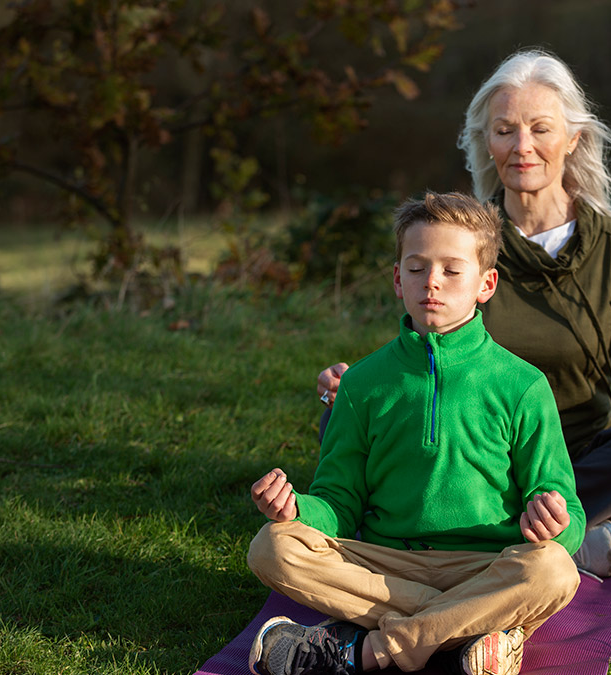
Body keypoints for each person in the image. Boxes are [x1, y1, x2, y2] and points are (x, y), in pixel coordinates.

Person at [317, 49, 611, 579]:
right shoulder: (466, 245)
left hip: (580, 452)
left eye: (540, 128)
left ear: (573, 139)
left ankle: (550, 528)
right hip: (476, 452)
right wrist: (355, 382)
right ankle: (540, 541)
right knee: (342, 412)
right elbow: (427, 347)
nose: (522, 147)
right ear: (486, 143)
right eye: (504, 131)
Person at [247, 191, 584, 675]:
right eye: (416, 268)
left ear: (485, 284)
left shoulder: (523, 385)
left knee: (552, 569)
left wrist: (553, 523)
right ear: (396, 279)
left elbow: (568, 514)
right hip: (385, 567)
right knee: (272, 546)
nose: (432, 283)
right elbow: (338, 503)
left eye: (452, 270)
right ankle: (471, 630)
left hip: (487, 566)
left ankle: (362, 652)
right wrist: (297, 508)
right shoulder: (363, 383)